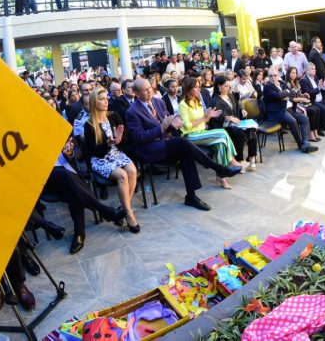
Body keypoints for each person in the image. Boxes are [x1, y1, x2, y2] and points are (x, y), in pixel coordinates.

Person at [125, 79, 241, 211]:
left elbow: (168, 120)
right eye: (145, 90)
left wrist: (173, 123)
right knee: (182, 142)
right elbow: (139, 137)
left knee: (186, 152)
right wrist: (162, 128)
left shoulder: (158, 102)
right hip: (149, 148)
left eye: (150, 88)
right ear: (136, 93)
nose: (149, 91)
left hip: (165, 142)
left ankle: (191, 197)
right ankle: (218, 168)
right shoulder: (132, 112)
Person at [84, 89, 140, 233]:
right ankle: (129, 214)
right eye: (102, 99)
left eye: (106, 98)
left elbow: (126, 138)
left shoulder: (114, 116)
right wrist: (108, 143)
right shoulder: (89, 125)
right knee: (122, 175)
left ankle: (123, 209)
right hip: (101, 159)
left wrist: (119, 139)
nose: (106, 101)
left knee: (132, 170)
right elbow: (92, 151)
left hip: (116, 154)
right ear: (94, 102)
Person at [178, 77, 242, 189]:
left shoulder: (197, 101)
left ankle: (221, 178)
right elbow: (187, 126)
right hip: (190, 136)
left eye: (199, 87)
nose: (199, 89)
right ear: (188, 88)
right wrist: (204, 117)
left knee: (220, 144)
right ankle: (232, 160)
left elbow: (204, 122)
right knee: (222, 133)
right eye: (196, 87)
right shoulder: (183, 105)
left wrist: (208, 116)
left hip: (201, 132)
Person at [263, 66, 317, 154]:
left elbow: (292, 93)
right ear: (268, 77)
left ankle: (305, 143)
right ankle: (300, 144)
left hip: (286, 110)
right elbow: (278, 96)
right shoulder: (267, 86)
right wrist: (286, 93)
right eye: (270, 76)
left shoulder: (281, 83)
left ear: (278, 75)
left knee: (304, 118)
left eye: (275, 75)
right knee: (292, 121)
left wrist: (286, 94)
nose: (273, 77)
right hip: (276, 113)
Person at [211, 75, 258, 171]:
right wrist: (228, 118)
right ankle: (239, 160)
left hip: (236, 123)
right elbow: (216, 116)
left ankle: (252, 158)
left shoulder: (230, 95)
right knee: (238, 133)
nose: (228, 88)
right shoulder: (215, 100)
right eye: (226, 86)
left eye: (229, 86)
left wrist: (242, 110)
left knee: (251, 130)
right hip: (224, 126)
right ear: (219, 86)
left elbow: (238, 105)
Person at [287, 66, 321, 143]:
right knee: (313, 111)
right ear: (288, 73)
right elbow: (291, 98)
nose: (294, 74)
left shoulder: (296, 82)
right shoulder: (287, 84)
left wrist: (304, 94)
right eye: (292, 72)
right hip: (293, 106)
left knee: (317, 109)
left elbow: (298, 94)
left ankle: (315, 131)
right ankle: (310, 133)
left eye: (295, 73)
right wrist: (302, 99)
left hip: (299, 103)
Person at [300, 62, 325, 135]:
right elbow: (308, 93)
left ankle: (324, 124)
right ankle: (319, 129)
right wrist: (319, 88)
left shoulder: (315, 77)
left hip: (320, 99)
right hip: (312, 101)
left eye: (315, 69)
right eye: (312, 69)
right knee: (324, 109)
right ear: (307, 70)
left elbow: (320, 89)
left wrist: (324, 86)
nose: (314, 70)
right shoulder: (304, 80)